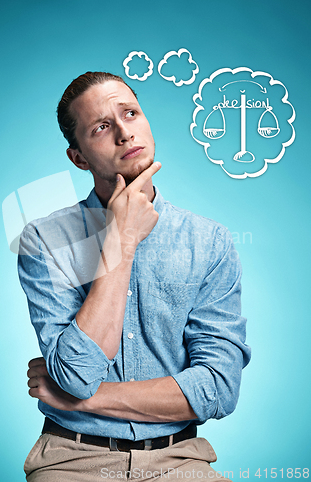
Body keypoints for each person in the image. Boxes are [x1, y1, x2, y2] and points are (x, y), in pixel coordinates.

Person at [18, 71, 251, 482]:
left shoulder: (209, 240)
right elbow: (77, 373)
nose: (125, 133)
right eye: (102, 127)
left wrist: (80, 400)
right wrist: (121, 243)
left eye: (131, 113)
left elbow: (217, 387)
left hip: (181, 461)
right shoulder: (44, 239)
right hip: (71, 460)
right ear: (79, 158)